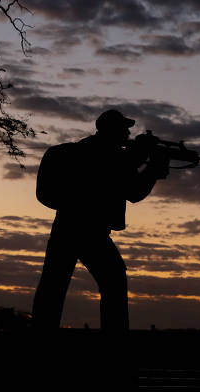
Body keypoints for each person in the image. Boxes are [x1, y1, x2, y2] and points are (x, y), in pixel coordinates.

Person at [31, 109, 170, 331]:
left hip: (65, 229)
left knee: (52, 288)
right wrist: (152, 168)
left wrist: (142, 163)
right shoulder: (112, 158)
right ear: (111, 132)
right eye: (123, 129)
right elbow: (134, 192)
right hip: (92, 232)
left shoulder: (79, 153)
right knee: (113, 283)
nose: (127, 134)